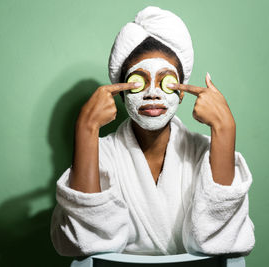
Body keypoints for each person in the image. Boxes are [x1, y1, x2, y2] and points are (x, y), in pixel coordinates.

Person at [50, 6, 255, 256]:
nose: (152, 93)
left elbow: (222, 242)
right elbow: (83, 243)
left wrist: (225, 129)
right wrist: (86, 128)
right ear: (122, 91)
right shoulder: (99, 155)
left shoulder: (206, 155)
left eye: (166, 81)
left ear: (181, 93)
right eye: (138, 81)